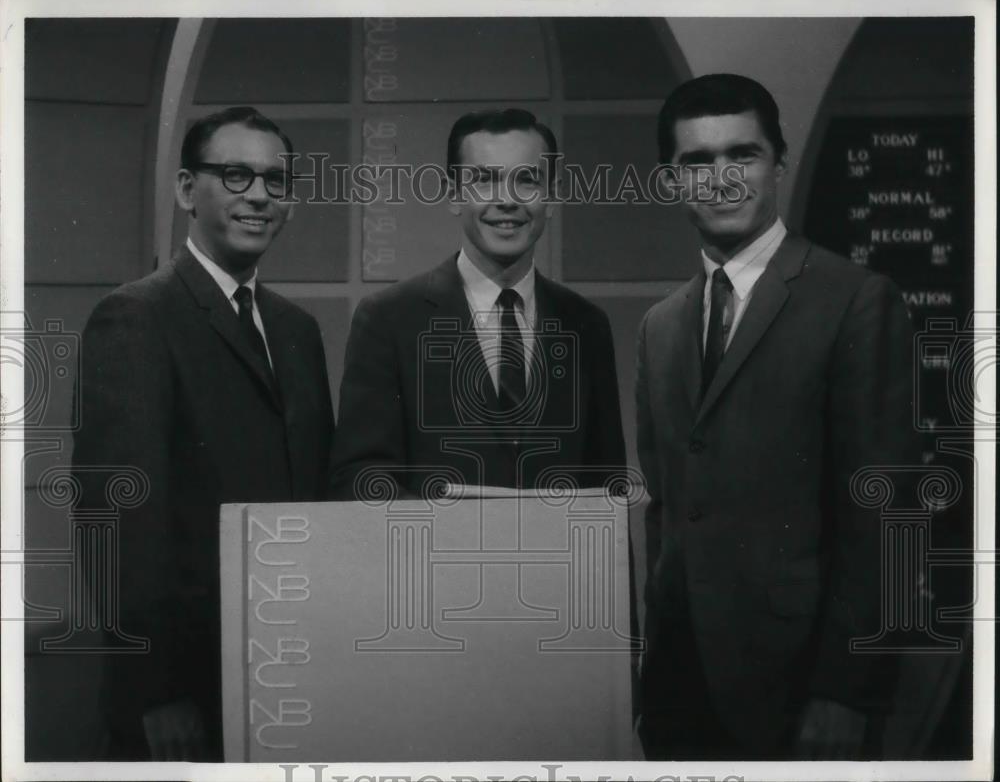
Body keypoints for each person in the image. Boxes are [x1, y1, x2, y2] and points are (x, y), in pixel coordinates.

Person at [636, 74, 915, 760]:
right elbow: (668, 511)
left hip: (803, 691)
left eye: (743, 155)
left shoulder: (855, 300)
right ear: (671, 182)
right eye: (696, 163)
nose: (721, 178)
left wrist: (846, 691)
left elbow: (884, 512)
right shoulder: (660, 325)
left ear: (779, 166)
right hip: (679, 689)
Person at [72, 107, 335, 761]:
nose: (258, 196)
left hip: (290, 677)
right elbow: (115, 516)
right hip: (179, 697)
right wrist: (154, 693)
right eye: (237, 174)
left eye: (276, 181)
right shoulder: (135, 316)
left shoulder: (297, 332)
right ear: (188, 190)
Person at [330, 108, 625, 498]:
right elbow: (362, 480)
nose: (506, 200)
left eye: (527, 181)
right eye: (485, 180)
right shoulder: (389, 319)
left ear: (551, 197)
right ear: (454, 194)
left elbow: (608, 488)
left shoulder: (586, 324)